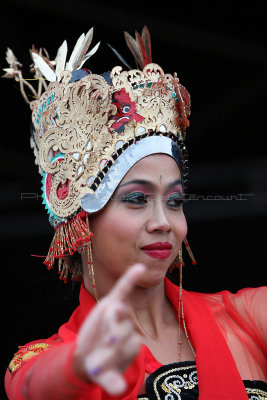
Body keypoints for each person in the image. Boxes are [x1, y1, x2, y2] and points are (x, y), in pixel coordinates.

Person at [3, 27, 267, 400]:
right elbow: (37, 385)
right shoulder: (41, 360)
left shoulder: (246, 318)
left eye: (174, 201)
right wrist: (80, 363)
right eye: (136, 199)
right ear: (81, 219)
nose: (163, 222)